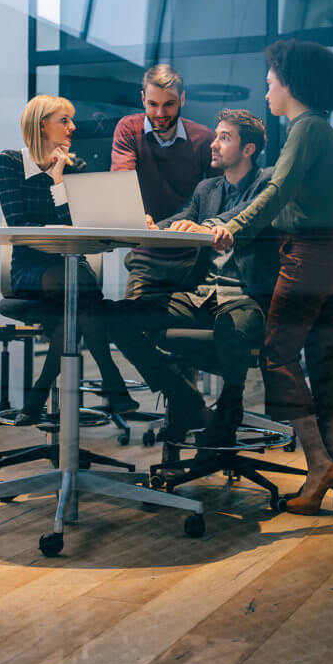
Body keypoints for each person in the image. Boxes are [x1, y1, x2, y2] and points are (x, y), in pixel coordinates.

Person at [211, 40, 333, 516]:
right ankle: (325, 468)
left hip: (310, 254)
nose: (266, 90)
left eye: (270, 81)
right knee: (326, 356)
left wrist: (232, 227)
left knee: (277, 354)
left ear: (289, 83)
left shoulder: (306, 128)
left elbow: (277, 190)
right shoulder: (323, 129)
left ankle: (318, 465)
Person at [109, 109, 279, 450]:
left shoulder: (269, 183)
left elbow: (248, 216)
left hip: (245, 297)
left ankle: (229, 410)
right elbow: (181, 219)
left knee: (231, 327)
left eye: (224, 138)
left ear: (248, 149)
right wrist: (149, 225)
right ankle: (183, 398)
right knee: (117, 319)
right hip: (199, 295)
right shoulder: (207, 188)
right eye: (215, 136)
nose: (213, 144)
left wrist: (209, 225)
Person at [0, 95, 137, 425]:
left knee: (71, 315)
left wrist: (59, 179)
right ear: (41, 124)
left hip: (71, 267)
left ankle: (35, 401)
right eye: (64, 120)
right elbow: (18, 226)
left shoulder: (76, 168)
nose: (72, 127)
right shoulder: (11, 163)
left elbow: (79, 227)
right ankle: (111, 380)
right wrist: (58, 228)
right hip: (31, 269)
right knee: (84, 293)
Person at [111, 65, 217, 297]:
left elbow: (218, 196)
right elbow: (122, 180)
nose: (160, 113)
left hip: (193, 257)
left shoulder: (204, 139)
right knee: (129, 323)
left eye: (168, 104)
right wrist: (134, 214)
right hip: (146, 255)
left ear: (182, 99)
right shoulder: (129, 129)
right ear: (143, 99)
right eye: (153, 104)